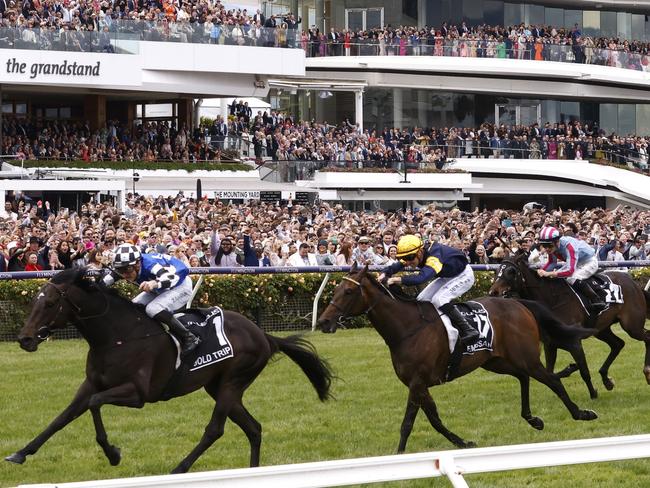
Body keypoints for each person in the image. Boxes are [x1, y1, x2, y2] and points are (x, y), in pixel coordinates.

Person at [378, 234, 479, 344]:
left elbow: (421, 278)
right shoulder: (413, 254)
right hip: (447, 276)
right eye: (404, 258)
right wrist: (384, 273)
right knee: (421, 300)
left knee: (439, 299)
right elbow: (395, 266)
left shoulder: (433, 257)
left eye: (409, 258)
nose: (407, 262)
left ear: (420, 252)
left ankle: (469, 329)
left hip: (463, 275)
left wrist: (394, 280)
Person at [103, 244, 200, 356]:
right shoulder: (131, 265)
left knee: (153, 309)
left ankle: (190, 337)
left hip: (179, 285)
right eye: (120, 270)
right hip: (161, 288)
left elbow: (174, 276)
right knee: (133, 307)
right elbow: (105, 281)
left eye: (127, 269)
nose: (124, 274)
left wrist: (154, 283)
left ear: (138, 263)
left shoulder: (150, 264)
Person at [536, 226, 605, 313]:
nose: (546, 249)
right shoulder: (553, 247)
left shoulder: (569, 246)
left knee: (572, 278)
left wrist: (548, 274)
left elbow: (569, 271)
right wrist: (539, 272)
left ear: (557, 242)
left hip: (589, 261)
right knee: (557, 277)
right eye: (544, 245)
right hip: (576, 262)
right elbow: (551, 263)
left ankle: (597, 300)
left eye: (549, 245)